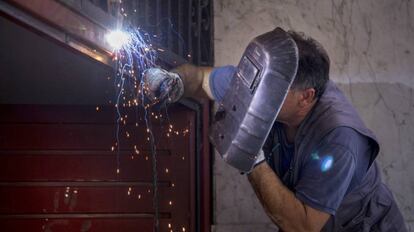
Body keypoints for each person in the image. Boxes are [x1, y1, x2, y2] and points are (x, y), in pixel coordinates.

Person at [143, 30, 407, 231]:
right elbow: (200, 79)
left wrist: (252, 159)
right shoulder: (260, 83)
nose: (254, 98)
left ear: (306, 96)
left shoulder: (338, 138)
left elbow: (302, 226)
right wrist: (175, 81)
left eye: (271, 92)